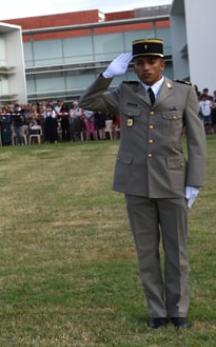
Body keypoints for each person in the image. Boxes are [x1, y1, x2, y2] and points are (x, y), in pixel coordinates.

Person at [78, 39, 206, 329]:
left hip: (173, 182)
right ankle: (157, 312)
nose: (145, 68)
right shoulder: (125, 92)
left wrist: (194, 182)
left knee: (177, 251)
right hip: (136, 183)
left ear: (162, 64)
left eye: (151, 62)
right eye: (139, 63)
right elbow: (87, 102)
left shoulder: (184, 92)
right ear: (133, 67)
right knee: (146, 252)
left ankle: (179, 309)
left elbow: (197, 142)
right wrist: (107, 75)